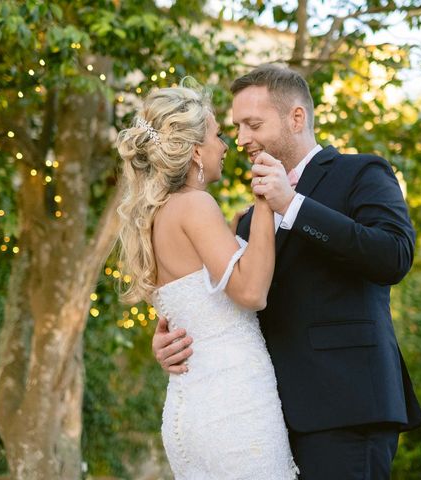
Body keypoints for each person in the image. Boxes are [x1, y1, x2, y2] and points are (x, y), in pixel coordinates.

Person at [152, 64, 421, 479]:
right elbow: (234, 303)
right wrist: (176, 340)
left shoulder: (361, 173)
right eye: (236, 127)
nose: (241, 139)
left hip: (345, 409)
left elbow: (393, 256)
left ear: (296, 118)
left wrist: (292, 205)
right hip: (261, 419)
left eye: (253, 124)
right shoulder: (245, 222)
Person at [116, 84, 299, 479]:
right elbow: (251, 292)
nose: (225, 146)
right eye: (217, 135)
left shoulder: (157, 215)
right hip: (233, 407)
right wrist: (266, 201)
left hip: (191, 408)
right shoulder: (195, 204)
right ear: (196, 150)